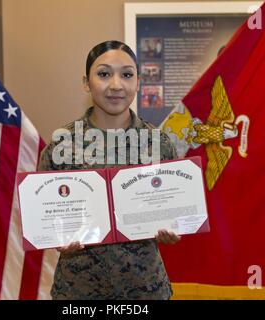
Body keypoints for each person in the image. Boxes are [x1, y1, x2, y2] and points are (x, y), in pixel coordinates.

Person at [38, 40, 181, 300]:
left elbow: (171, 206)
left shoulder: (158, 143)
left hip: (145, 289)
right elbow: (45, 216)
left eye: (127, 75)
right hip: (78, 290)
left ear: (138, 82)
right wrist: (56, 238)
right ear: (86, 82)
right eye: (104, 74)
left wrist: (172, 225)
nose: (116, 85)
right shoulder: (62, 145)